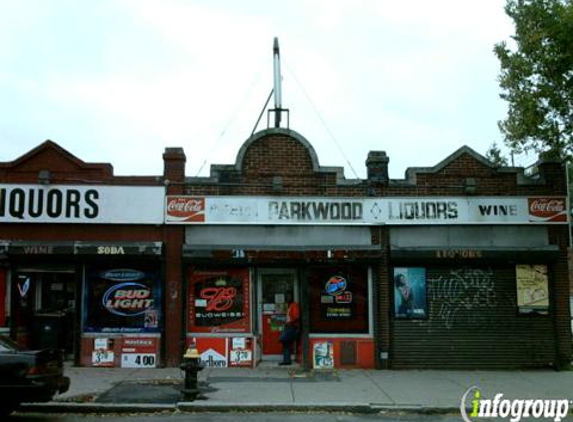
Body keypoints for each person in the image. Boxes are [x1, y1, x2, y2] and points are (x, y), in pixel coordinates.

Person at [278, 292, 300, 366]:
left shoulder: (294, 305)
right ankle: (287, 360)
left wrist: (290, 322)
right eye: (287, 297)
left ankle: (287, 360)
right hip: (290, 326)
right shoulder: (290, 305)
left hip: (291, 326)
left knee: (285, 342)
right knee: (286, 343)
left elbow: (296, 316)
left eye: (289, 296)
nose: (287, 298)